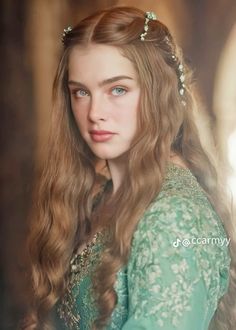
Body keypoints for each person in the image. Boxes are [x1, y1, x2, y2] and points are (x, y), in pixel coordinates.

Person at [24, 6, 235, 330]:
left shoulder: (175, 217)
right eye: (81, 92)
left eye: (117, 89)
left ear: (158, 93)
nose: (95, 112)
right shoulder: (103, 197)